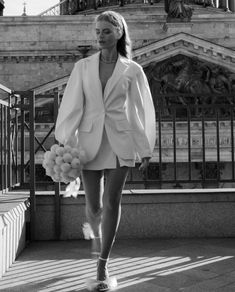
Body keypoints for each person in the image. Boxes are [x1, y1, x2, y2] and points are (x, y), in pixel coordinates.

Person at [55, 10, 156, 291]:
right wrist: (65, 138)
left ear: (119, 33)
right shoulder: (82, 67)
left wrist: (145, 148)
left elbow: (141, 111)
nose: (100, 36)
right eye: (97, 32)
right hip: (88, 143)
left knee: (112, 203)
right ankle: (98, 249)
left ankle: (102, 263)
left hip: (119, 141)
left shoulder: (132, 70)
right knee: (94, 206)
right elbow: (72, 104)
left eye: (106, 32)